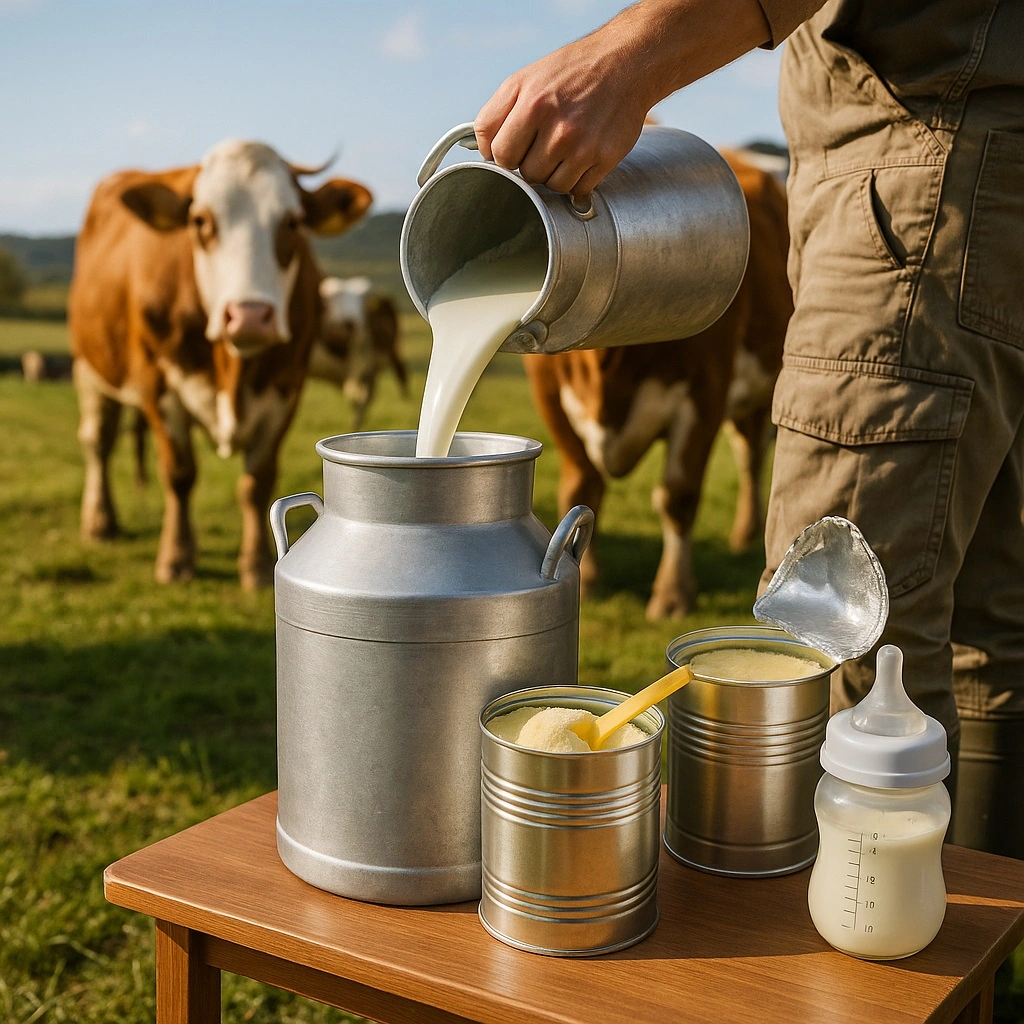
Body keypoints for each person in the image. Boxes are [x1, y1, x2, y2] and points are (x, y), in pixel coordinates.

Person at [475, 0, 1024, 860]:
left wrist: (626, 60)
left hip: (919, 160)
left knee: (833, 628)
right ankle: (976, 968)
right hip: (981, 172)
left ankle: (840, 977)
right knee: (983, 627)